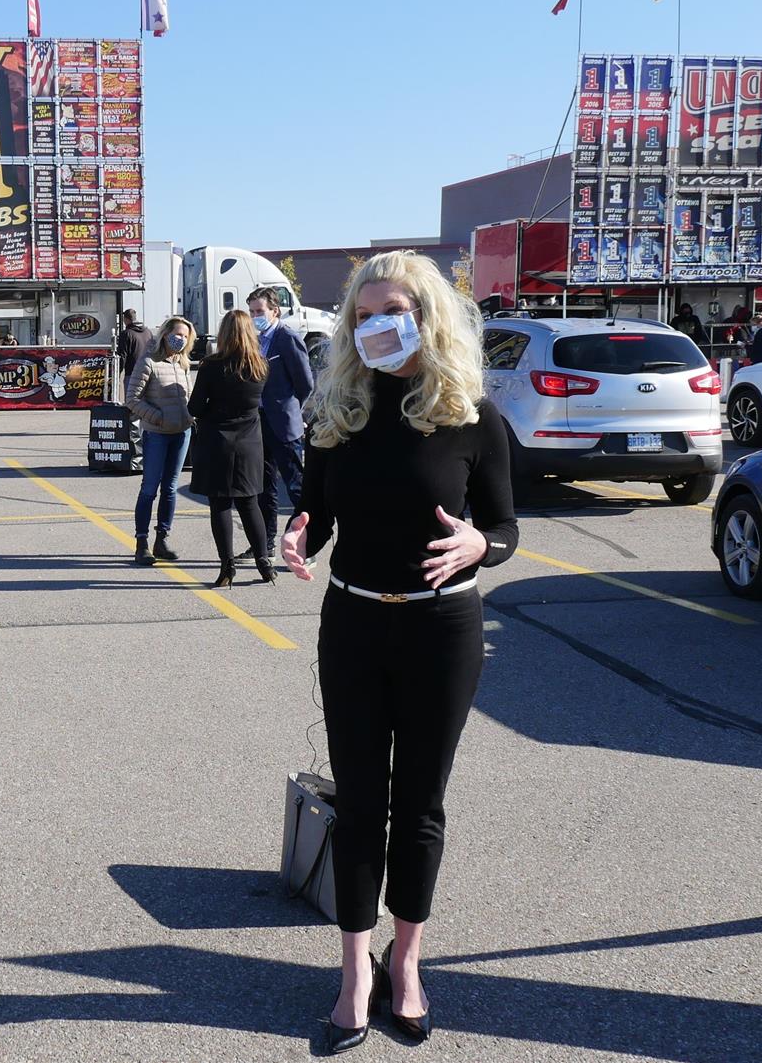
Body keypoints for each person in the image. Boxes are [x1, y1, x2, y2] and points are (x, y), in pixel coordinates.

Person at [276, 250, 518, 1053]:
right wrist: (300, 529)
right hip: (351, 625)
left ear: (428, 315)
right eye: (363, 312)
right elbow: (318, 509)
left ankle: (406, 961)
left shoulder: (471, 414)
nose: (376, 324)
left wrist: (483, 543)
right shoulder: (335, 410)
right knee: (359, 803)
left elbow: (506, 528)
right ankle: (354, 972)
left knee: (419, 805)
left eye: (393, 309)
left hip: (441, 631)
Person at [188, 309, 273, 588]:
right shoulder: (260, 366)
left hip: (217, 440)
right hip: (249, 441)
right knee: (250, 502)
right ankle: (264, 562)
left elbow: (196, 407)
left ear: (224, 333)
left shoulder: (212, 365)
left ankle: (227, 568)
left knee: (220, 504)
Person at [247, 287, 315, 558]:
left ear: (275, 311)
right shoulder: (256, 339)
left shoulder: (287, 337)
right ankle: (265, 544)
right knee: (263, 486)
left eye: (259, 311)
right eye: (251, 312)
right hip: (259, 422)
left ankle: (306, 545)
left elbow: (305, 383)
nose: (255, 317)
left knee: (296, 486)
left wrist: (291, 409)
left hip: (284, 423)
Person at [126, 317, 197, 564]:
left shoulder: (183, 364)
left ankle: (162, 540)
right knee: (149, 489)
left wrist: (191, 417)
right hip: (157, 434)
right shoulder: (149, 362)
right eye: (177, 333)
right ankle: (141, 542)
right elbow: (132, 399)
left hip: (181, 434)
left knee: (170, 489)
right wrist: (158, 418)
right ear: (165, 334)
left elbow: (188, 397)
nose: (181, 339)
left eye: (186, 336)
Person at [116, 308, 151, 392]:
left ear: (126, 319)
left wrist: (117, 374)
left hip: (131, 374)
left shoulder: (126, 334)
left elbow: (122, 355)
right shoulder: (148, 332)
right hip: (148, 373)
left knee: (131, 402)